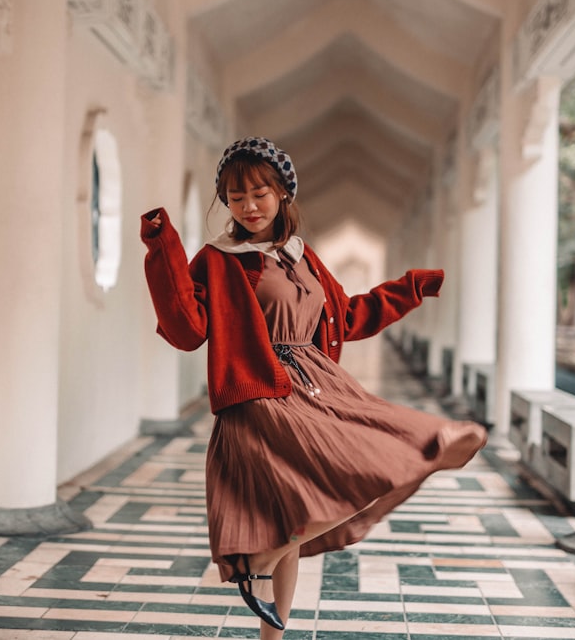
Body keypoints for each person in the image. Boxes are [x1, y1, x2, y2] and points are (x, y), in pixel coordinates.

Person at [140, 136, 487, 638]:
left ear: (283, 193)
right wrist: (163, 247)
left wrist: (411, 287)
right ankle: (265, 556)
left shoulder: (304, 258)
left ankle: (271, 618)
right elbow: (187, 328)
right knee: (348, 485)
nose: (248, 206)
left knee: (321, 501)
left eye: (259, 193)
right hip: (261, 392)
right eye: (236, 197)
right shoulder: (220, 258)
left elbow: (347, 316)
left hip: (319, 384)